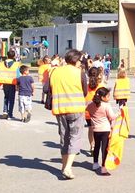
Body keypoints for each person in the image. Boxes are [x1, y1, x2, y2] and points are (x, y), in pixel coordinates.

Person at [49, 49, 88, 180]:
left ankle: (64, 165)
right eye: (80, 60)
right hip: (76, 107)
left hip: (60, 108)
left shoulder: (55, 71)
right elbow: (85, 91)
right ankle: (68, 167)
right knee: (75, 137)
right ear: (76, 60)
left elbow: (46, 89)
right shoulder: (79, 73)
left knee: (64, 137)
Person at [86, 87, 117, 175]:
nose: (109, 98)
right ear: (103, 97)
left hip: (96, 129)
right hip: (105, 129)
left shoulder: (90, 105)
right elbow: (112, 117)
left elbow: (87, 110)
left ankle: (95, 163)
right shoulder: (106, 105)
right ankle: (104, 167)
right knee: (104, 148)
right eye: (108, 96)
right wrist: (119, 113)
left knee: (96, 146)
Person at [85, 67, 106, 155]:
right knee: (98, 129)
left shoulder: (86, 86)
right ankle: (97, 146)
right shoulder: (101, 86)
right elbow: (105, 99)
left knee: (90, 128)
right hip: (98, 112)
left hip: (87, 112)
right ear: (98, 75)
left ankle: (92, 146)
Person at [0, 50, 21, 119]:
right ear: (14, 56)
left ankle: (5, 111)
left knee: (6, 97)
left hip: (4, 82)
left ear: (7, 55)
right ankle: (10, 114)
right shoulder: (16, 64)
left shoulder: (2, 63)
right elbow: (18, 75)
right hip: (12, 83)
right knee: (11, 99)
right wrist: (18, 84)